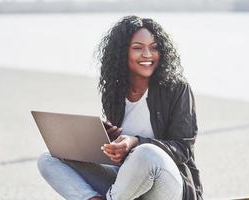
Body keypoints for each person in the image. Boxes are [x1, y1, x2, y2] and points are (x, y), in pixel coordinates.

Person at [37, 15, 203, 200]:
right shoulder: (115, 89)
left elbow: (183, 149)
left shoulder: (177, 88)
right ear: (122, 52)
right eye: (138, 48)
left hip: (168, 185)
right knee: (49, 158)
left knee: (146, 153)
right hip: (126, 185)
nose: (148, 54)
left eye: (154, 47)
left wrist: (135, 142)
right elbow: (119, 156)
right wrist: (109, 141)